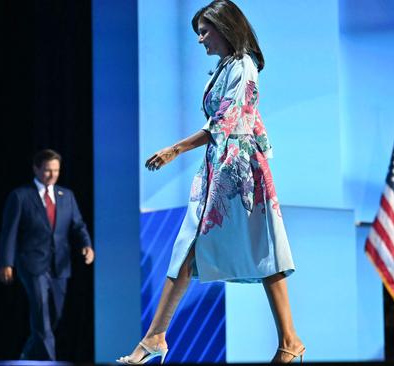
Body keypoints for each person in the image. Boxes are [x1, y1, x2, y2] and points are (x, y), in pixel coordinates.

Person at [117, 1, 304, 364]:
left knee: (264, 248)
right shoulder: (224, 67)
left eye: (205, 31)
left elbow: (227, 122)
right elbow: (222, 123)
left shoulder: (245, 66)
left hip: (240, 172)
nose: (201, 39)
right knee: (188, 246)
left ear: (225, 27)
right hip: (219, 167)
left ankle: (290, 340)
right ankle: (155, 335)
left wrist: (176, 148)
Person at [0, 149, 95, 360]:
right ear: (36, 169)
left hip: (60, 265)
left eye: (56, 171)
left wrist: (86, 245)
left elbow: (78, 225)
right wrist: (6, 262)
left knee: (53, 316)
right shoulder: (20, 196)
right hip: (31, 264)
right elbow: (9, 232)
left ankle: (26, 356)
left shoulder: (66, 195)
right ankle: (50, 362)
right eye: (47, 170)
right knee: (41, 316)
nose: (52, 175)